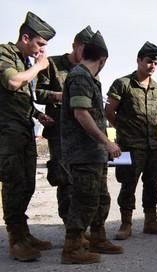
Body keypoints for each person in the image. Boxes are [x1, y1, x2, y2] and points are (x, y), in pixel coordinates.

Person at [60, 31, 123, 264]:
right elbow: (81, 113)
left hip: (94, 153)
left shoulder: (89, 77)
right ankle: (72, 247)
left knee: (99, 197)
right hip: (83, 152)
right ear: (103, 60)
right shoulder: (80, 77)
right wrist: (106, 142)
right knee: (84, 198)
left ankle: (97, 237)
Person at [0, 12, 55, 262]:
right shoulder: (6, 54)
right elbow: (12, 83)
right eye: (40, 44)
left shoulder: (24, 61)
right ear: (25, 37)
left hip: (23, 128)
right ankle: (16, 240)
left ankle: (24, 233)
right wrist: (39, 67)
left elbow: (20, 98)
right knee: (14, 183)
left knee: (28, 184)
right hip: (6, 132)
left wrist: (37, 114)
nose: (42, 50)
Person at [105, 41, 157, 240]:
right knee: (128, 184)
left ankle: (151, 221)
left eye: (156, 63)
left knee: (153, 183)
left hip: (153, 146)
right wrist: (124, 130)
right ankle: (126, 224)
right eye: (149, 61)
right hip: (129, 146)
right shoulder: (122, 84)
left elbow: (156, 115)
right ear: (139, 60)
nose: (152, 66)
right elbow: (109, 111)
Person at [35, 26, 94, 224]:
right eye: (84, 49)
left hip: (82, 132)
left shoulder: (90, 69)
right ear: (75, 46)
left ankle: (79, 225)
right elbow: (39, 94)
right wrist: (61, 96)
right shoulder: (53, 64)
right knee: (65, 179)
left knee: (82, 179)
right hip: (59, 132)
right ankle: (70, 225)